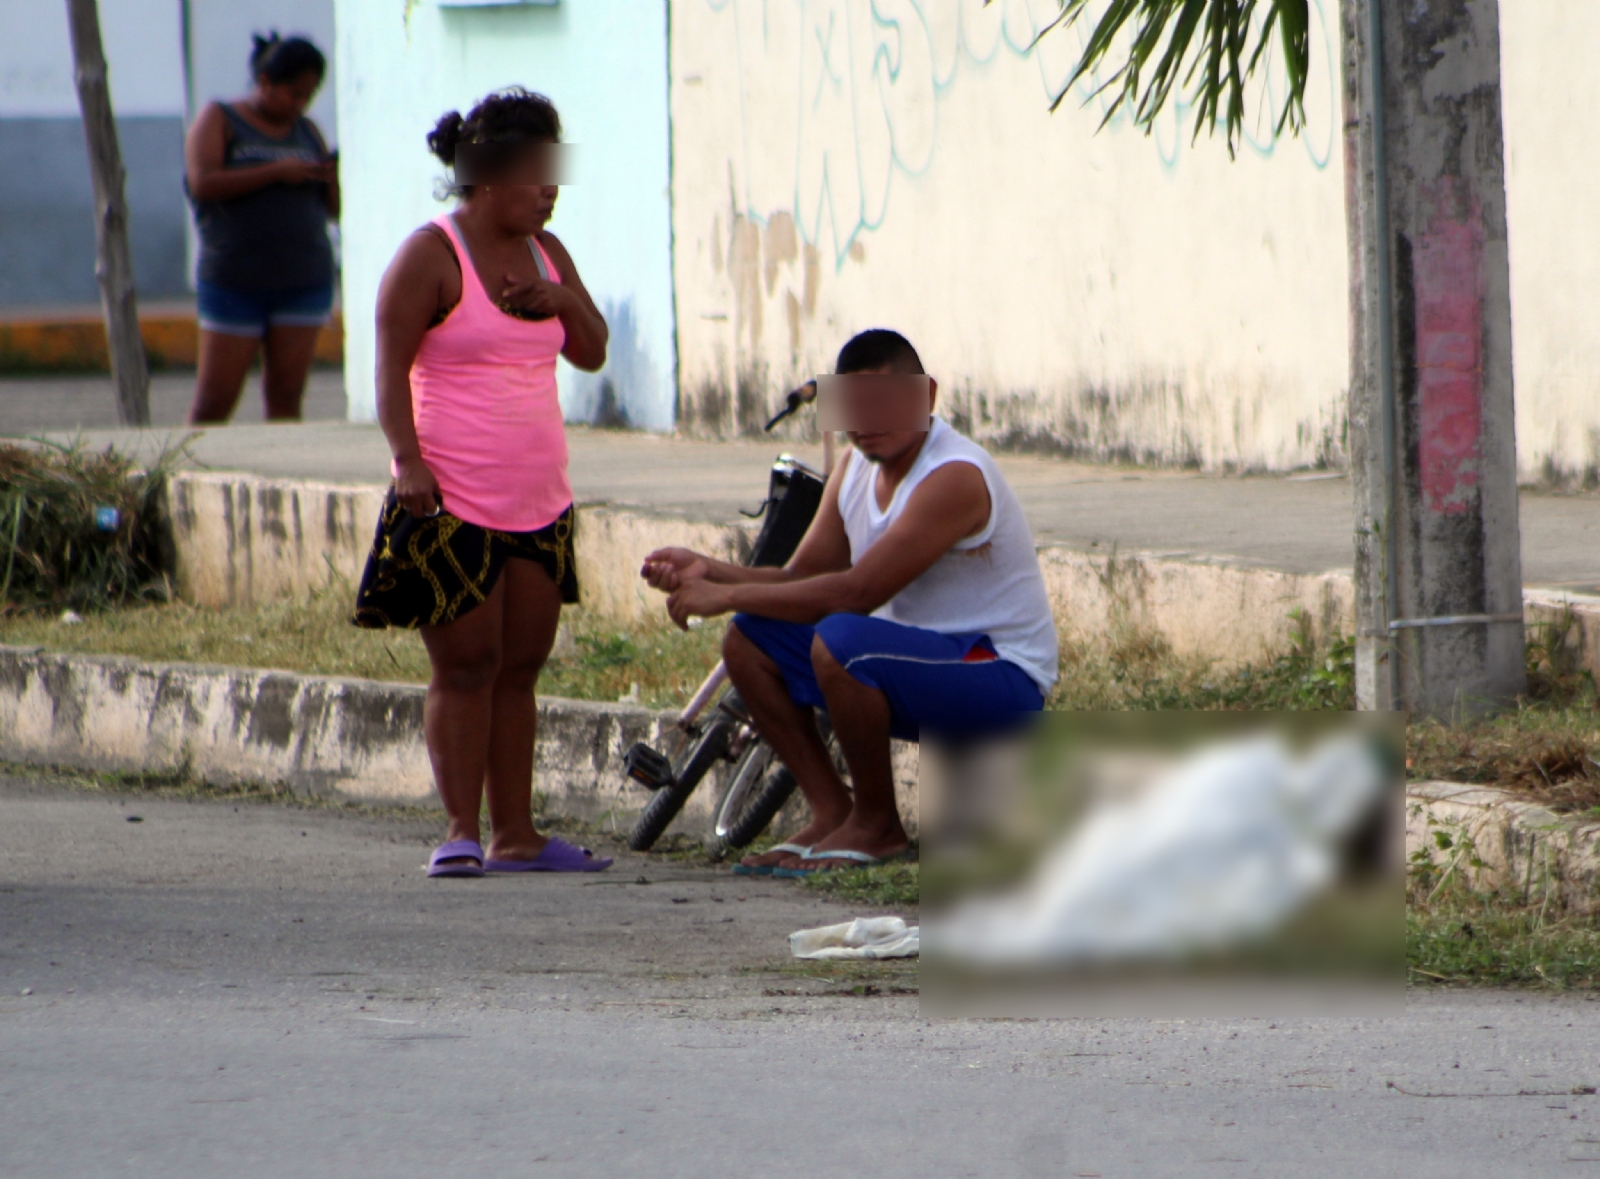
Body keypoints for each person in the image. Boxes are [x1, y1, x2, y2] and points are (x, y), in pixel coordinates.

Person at [641, 329, 1058, 875]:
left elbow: (858, 591)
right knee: (748, 636)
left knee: (842, 639)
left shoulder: (954, 475)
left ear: (926, 396)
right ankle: (832, 811)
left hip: (997, 678)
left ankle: (878, 825)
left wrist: (722, 593)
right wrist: (709, 568)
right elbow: (800, 577)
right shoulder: (853, 470)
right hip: (908, 668)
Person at [351, 89, 612, 877]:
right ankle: (461, 829)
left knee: (520, 668)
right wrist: (407, 463)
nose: (549, 188)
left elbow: (592, 352)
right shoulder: (430, 256)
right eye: (536, 172)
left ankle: (518, 834)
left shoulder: (549, 253)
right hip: (450, 496)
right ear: (487, 175)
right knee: (466, 666)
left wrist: (562, 299)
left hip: (540, 499)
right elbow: (389, 370)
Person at [184, 33, 338, 424]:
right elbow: (203, 183)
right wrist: (276, 172)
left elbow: (334, 210)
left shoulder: (307, 131)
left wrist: (331, 175)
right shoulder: (220, 119)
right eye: (292, 93)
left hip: (303, 279)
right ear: (265, 81)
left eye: (308, 95)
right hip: (235, 280)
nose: (300, 104)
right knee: (214, 402)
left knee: (287, 396)